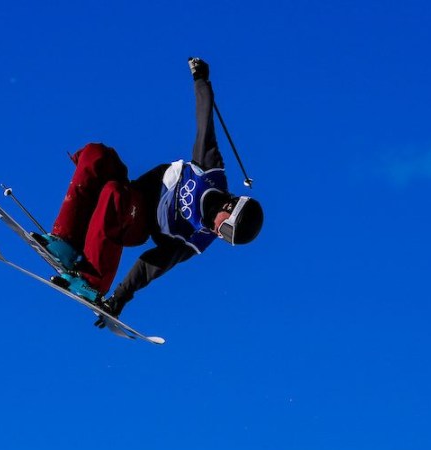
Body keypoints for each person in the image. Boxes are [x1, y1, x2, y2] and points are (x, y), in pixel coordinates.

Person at [34, 57, 263, 323]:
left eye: (226, 238)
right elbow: (205, 123)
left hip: (134, 221)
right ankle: (66, 242)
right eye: (226, 230)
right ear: (230, 207)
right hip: (132, 190)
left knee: (114, 195)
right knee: (96, 155)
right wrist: (201, 79)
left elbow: (150, 266)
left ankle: (93, 282)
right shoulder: (209, 174)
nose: (219, 235)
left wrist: (119, 298)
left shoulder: (195, 238)